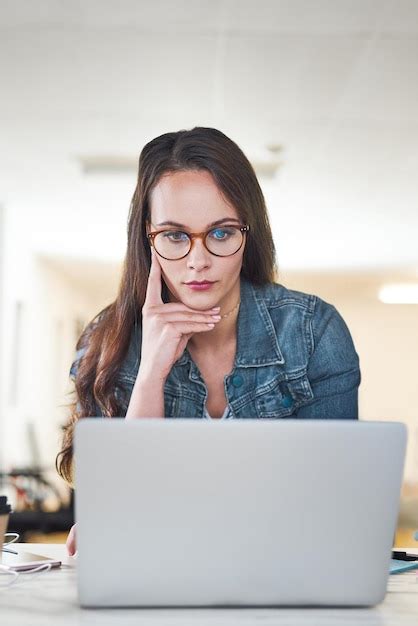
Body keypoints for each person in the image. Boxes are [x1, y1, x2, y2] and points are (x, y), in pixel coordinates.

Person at [56, 126, 361, 556]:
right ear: (148, 237)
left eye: (220, 233)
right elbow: (115, 519)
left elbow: (335, 510)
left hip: (280, 580)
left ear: (247, 232)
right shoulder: (107, 341)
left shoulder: (313, 332)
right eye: (175, 236)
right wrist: (149, 379)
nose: (198, 262)